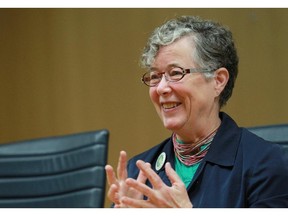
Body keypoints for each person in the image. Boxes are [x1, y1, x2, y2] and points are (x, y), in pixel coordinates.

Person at [105, 15, 288, 208]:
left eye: (175, 73)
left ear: (218, 81)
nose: (161, 88)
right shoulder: (138, 172)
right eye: (155, 76)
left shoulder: (268, 164)